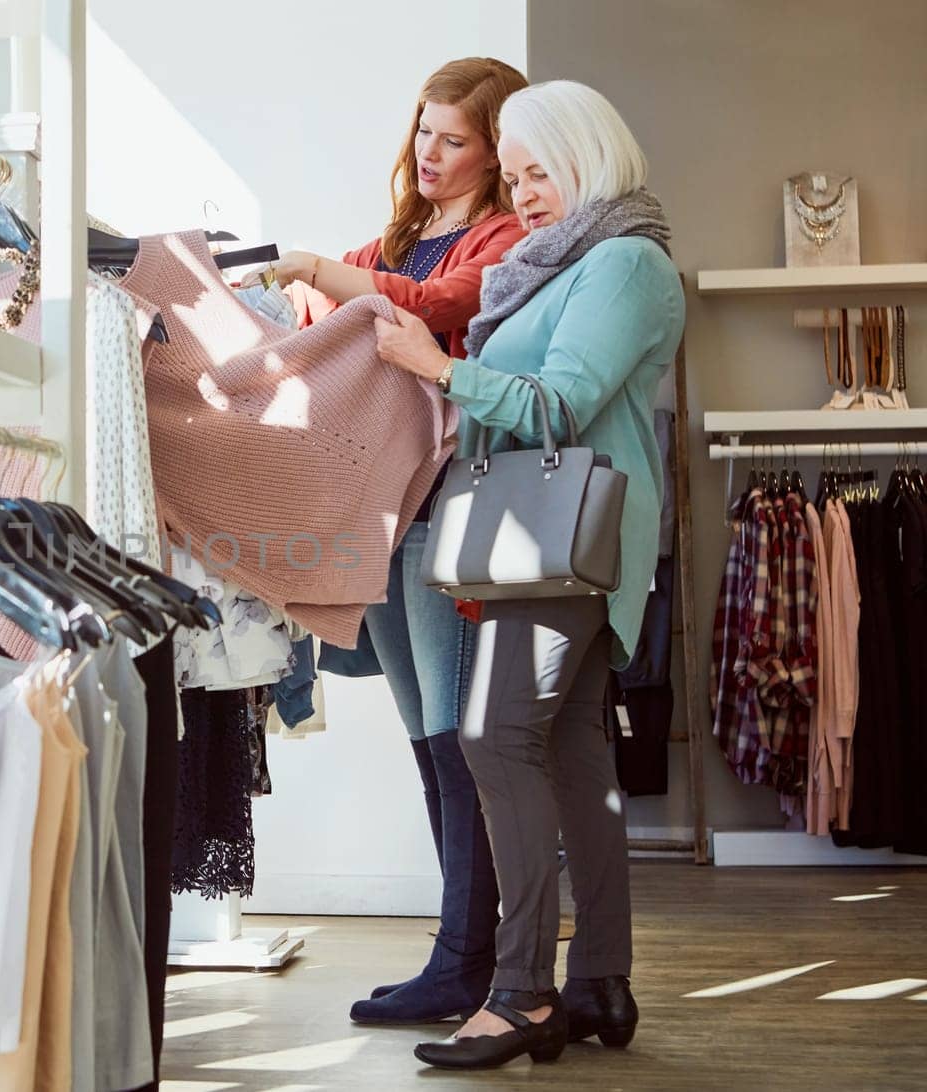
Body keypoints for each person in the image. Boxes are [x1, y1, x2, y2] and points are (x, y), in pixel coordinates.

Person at [373, 79, 685, 1069]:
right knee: (573, 758)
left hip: (565, 539)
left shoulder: (626, 264)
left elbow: (557, 406)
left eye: (541, 171)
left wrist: (437, 365)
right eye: (515, 175)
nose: (527, 192)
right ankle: (597, 980)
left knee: (494, 737)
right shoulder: (565, 266)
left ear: (591, 157)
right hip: (549, 539)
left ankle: (519, 994)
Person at [249, 56, 528, 1027]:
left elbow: (439, 309)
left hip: (449, 496)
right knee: (422, 732)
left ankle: (467, 957)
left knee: (454, 732)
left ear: (496, 153)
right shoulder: (405, 234)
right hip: (388, 503)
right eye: (423, 132)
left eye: (454, 140)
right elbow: (346, 311)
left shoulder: (500, 236)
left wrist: (326, 272)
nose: (431, 153)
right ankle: (457, 953)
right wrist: (299, 302)